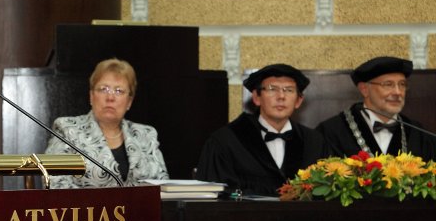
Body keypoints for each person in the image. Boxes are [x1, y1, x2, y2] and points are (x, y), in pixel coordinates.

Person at [196, 63, 328, 196]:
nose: (281, 96)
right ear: (256, 97)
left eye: (289, 90)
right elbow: (212, 197)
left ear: (298, 101)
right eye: (272, 89)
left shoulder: (314, 143)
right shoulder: (225, 141)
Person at [45, 58, 168, 187]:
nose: (110, 97)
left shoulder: (146, 135)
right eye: (104, 89)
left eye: (119, 91)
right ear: (91, 96)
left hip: (141, 208)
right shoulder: (67, 130)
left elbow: (163, 186)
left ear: (129, 102)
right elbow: (55, 183)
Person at [317, 56, 436, 160]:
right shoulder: (331, 132)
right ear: (364, 89)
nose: (397, 92)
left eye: (402, 84)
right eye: (388, 84)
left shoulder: (419, 134)